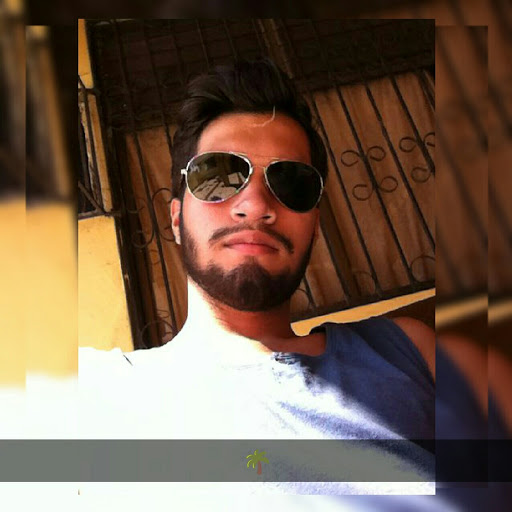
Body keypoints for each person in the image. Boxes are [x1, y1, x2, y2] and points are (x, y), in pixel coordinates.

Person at [79, 58, 439, 496]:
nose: (255, 205)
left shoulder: (409, 352)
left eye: (291, 182)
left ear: (314, 226)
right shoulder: (96, 396)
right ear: (175, 218)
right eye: (217, 175)